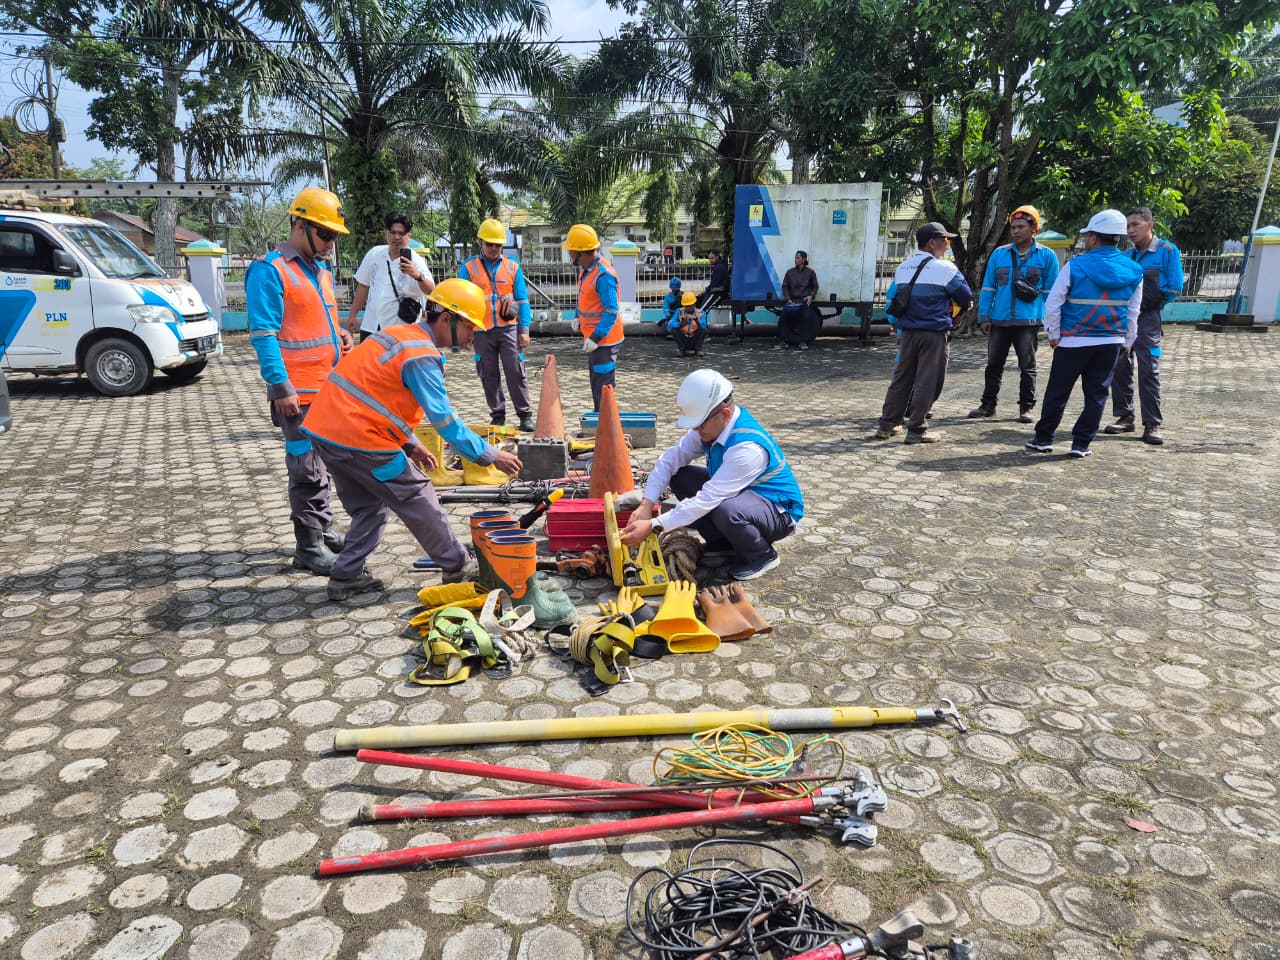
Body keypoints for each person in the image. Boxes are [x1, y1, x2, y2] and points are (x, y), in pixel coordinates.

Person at [302, 278, 523, 600]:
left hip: (327, 434)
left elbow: (376, 396)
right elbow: (446, 423)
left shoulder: (398, 335)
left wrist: (410, 443)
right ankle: (458, 565)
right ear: (447, 318)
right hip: (362, 439)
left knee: (369, 508)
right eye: (470, 328)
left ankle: (345, 576)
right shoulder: (421, 354)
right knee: (417, 495)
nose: (473, 337)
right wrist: (491, 455)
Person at [246, 186, 354, 576]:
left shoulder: (320, 273)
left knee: (323, 465)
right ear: (300, 225)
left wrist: (341, 338)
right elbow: (263, 334)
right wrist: (281, 386)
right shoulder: (269, 270)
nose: (330, 244)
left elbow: (318, 324)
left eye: (334, 237)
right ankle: (307, 545)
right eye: (324, 234)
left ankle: (322, 528)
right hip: (298, 392)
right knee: (305, 467)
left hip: (327, 389)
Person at [619, 369, 804, 581]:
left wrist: (653, 525)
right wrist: (645, 505)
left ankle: (761, 555)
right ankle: (723, 544)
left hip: (779, 512)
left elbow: (708, 499)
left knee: (727, 509)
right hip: (744, 497)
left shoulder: (747, 448)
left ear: (724, 414)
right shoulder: (711, 427)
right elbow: (669, 459)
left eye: (700, 423)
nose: (696, 430)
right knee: (681, 476)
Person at [1026, 209, 1143, 459]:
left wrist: (1053, 332)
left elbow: (1053, 302)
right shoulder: (1134, 270)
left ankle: (1044, 439)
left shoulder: (1075, 265)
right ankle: (1081, 444)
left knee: (1058, 392)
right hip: (1111, 341)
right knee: (1097, 394)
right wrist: (1128, 341)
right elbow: (1133, 310)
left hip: (1073, 340)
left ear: (1093, 237)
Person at [874, 223, 974, 443]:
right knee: (927, 380)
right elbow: (966, 298)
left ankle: (887, 425)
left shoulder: (903, 268)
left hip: (907, 333)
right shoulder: (945, 268)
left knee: (901, 379)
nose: (947, 246)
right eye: (945, 241)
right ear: (932, 243)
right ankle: (917, 429)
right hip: (933, 334)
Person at [969, 205, 1059, 424]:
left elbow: (1052, 293)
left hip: (1028, 321)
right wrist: (985, 316)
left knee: (1027, 366)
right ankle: (988, 405)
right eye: (1013, 227)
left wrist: (1052, 324)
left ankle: (1026, 408)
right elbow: (989, 287)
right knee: (993, 365)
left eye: (1021, 227)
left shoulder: (1047, 256)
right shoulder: (999, 255)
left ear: (1033, 229)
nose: (1016, 231)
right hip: (999, 320)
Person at [1103, 206, 1184, 445]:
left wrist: (1152, 304)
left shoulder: (1166, 251)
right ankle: (1125, 417)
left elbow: (1174, 287)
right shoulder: (1127, 257)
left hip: (1148, 320)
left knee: (1149, 371)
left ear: (1150, 225)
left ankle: (1152, 423)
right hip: (1125, 319)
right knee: (1120, 367)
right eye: (1127, 226)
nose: (1130, 230)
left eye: (1135, 224)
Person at [460, 218, 534, 431]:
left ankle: (524, 415)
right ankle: (498, 415)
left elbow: (522, 300)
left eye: (498, 245)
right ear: (480, 242)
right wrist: (464, 333)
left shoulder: (512, 267)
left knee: (516, 371)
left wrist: (524, 330)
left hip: (508, 329)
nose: (494, 248)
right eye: (489, 244)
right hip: (481, 331)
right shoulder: (468, 267)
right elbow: (461, 302)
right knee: (488, 373)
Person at [346, 212, 436, 342]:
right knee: (369, 362)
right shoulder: (375, 254)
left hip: (401, 329)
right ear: (386, 234)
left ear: (408, 236)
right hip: (371, 325)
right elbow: (363, 286)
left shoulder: (416, 261)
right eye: (393, 233)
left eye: (401, 234)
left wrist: (417, 275)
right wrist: (352, 315)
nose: (397, 237)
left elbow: (431, 290)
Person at [564, 223, 622, 411]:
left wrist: (596, 337)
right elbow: (584, 296)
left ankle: (604, 425)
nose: (570, 254)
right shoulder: (586, 269)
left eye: (572, 251)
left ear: (583, 253)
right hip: (593, 339)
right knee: (597, 383)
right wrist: (577, 316)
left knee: (604, 386)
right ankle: (600, 421)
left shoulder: (604, 276)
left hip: (604, 341)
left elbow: (611, 311)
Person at [779, 251, 819, 349]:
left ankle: (803, 341)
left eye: (798, 258)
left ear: (804, 259)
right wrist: (787, 298)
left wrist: (811, 296)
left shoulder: (810, 273)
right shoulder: (790, 272)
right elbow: (785, 286)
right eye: (795, 257)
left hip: (803, 301)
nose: (796, 259)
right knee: (783, 317)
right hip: (791, 301)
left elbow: (815, 286)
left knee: (806, 317)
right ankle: (784, 341)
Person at [671, 292, 707, 357]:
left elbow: (703, 326)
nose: (687, 308)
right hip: (684, 339)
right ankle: (681, 349)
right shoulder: (679, 311)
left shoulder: (701, 313)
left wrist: (697, 320)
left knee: (704, 330)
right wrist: (680, 324)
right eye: (686, 306)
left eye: (689, 306)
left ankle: (698, 349)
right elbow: (670, 323)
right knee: (674, 330)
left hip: (695, 340)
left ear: (694, 304)